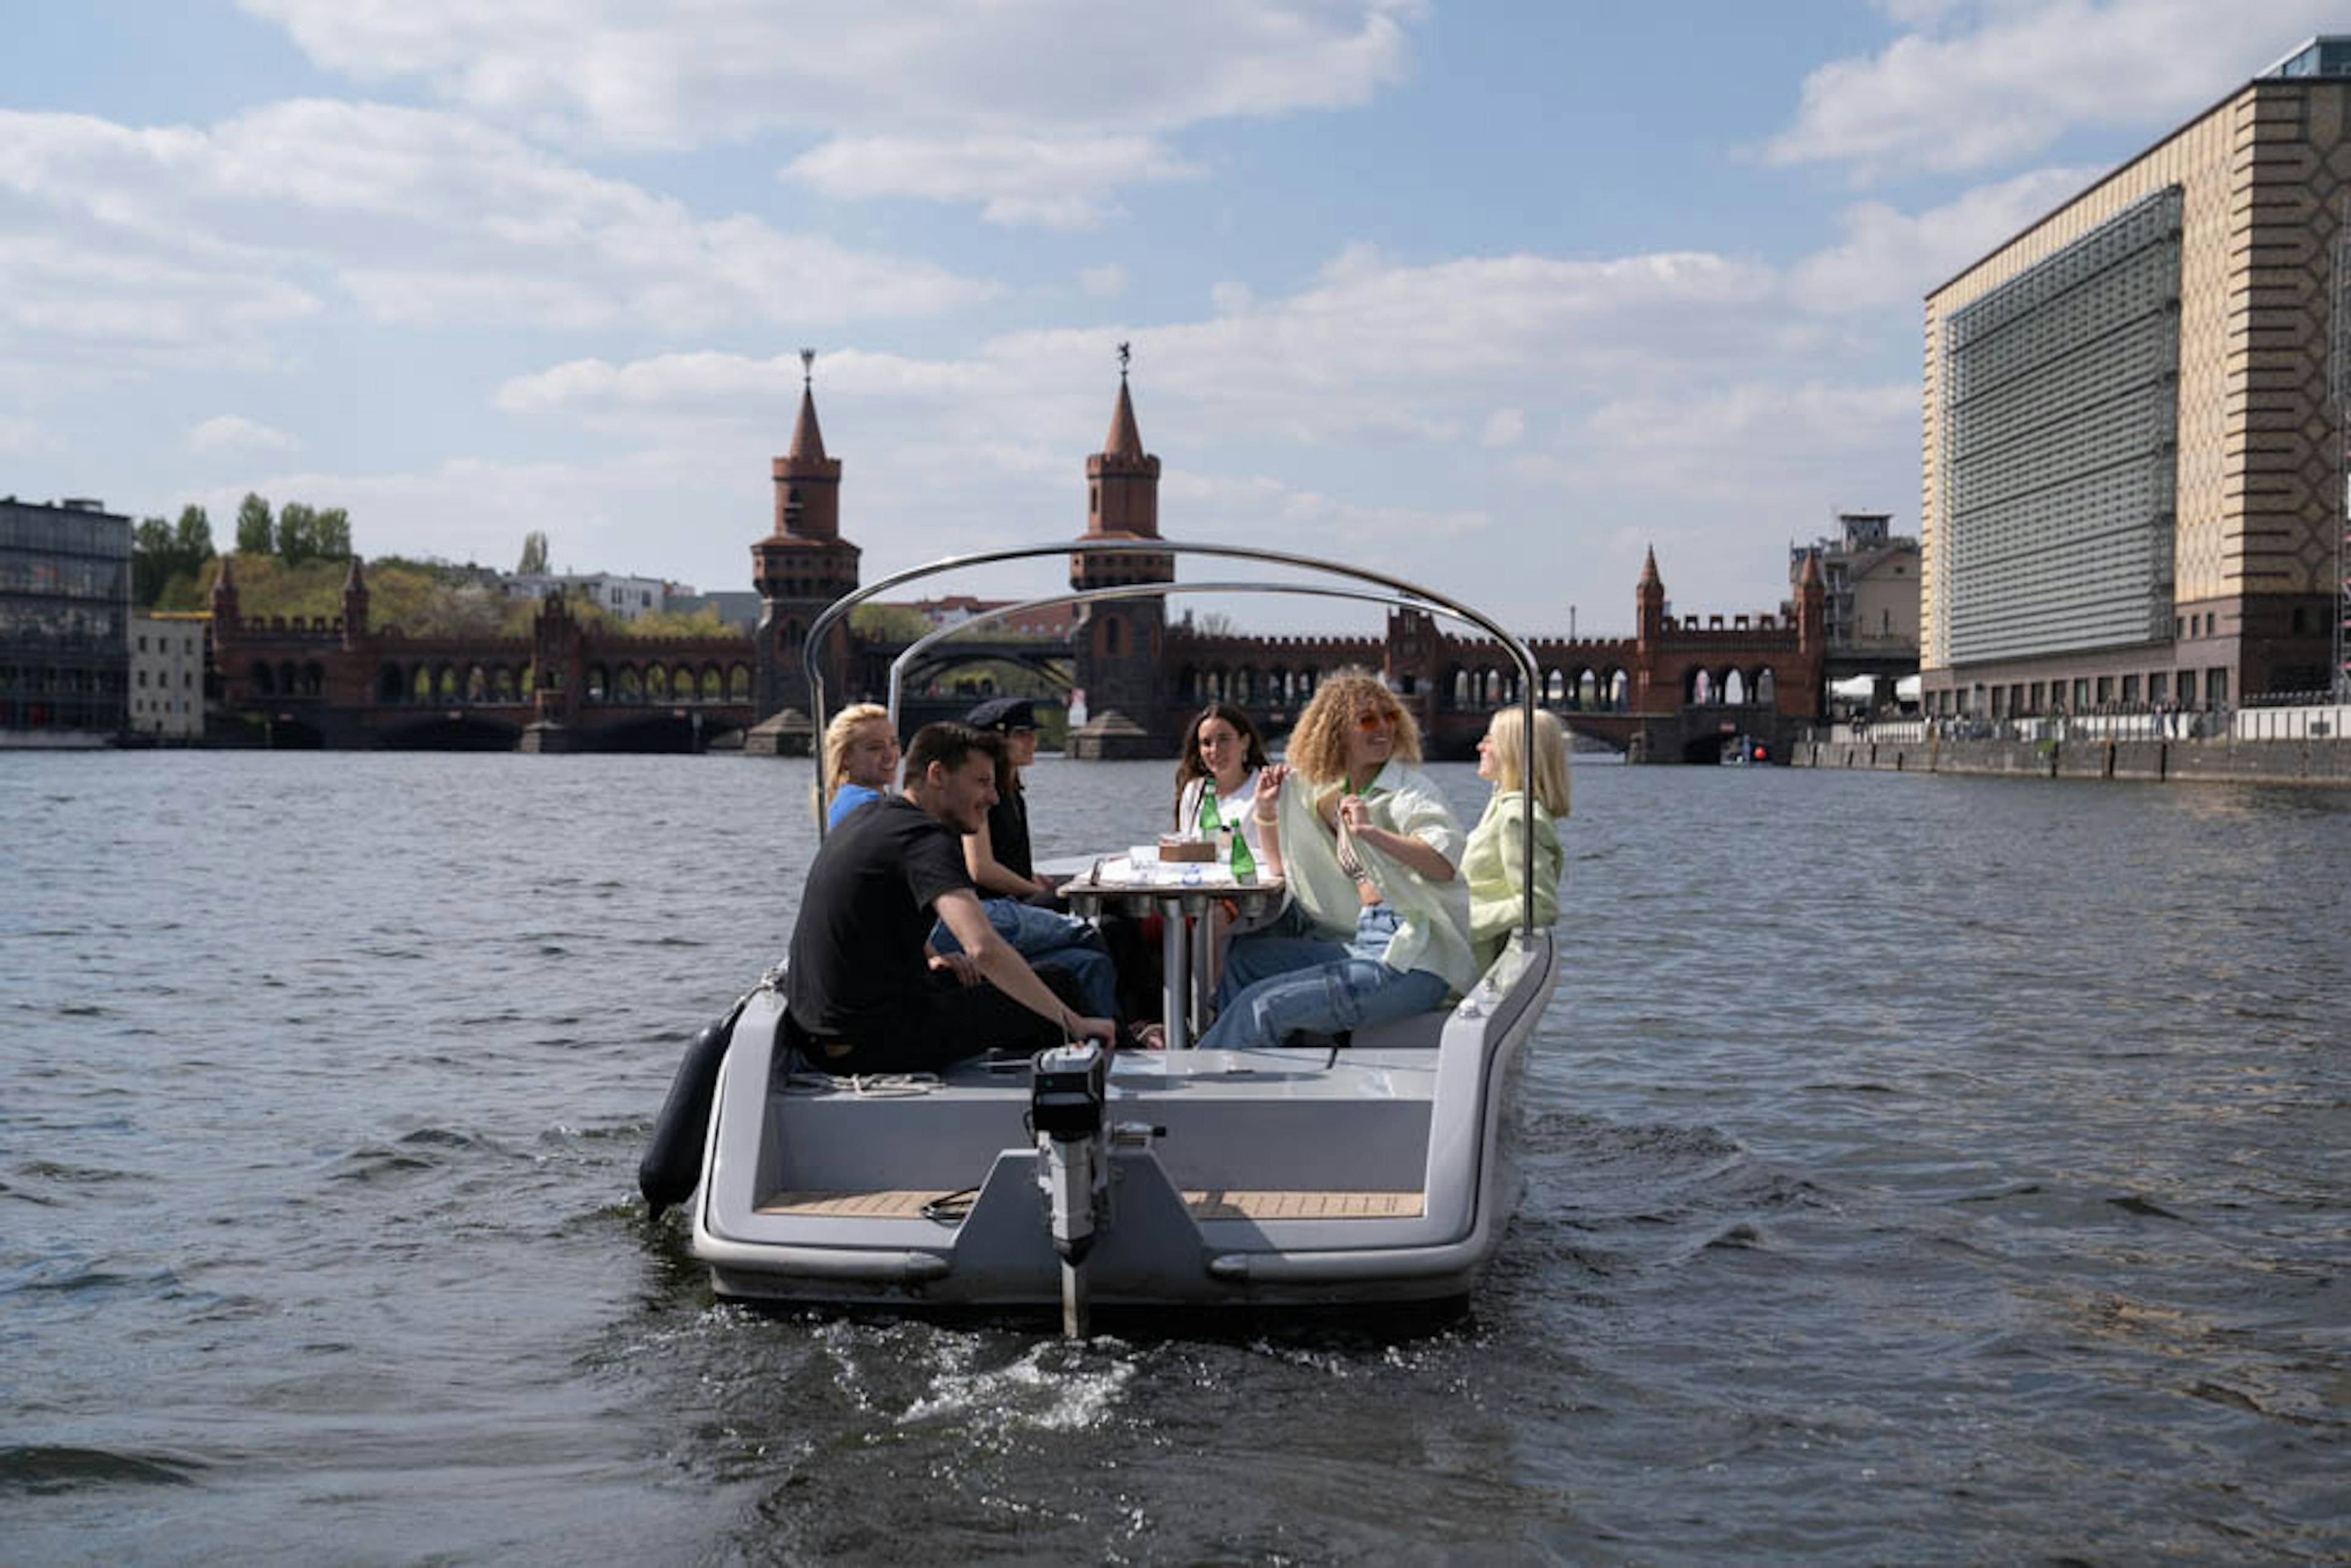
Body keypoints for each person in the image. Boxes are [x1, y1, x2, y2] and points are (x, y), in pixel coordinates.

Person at [784, 721, 1114, 1075]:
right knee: (1058, 985)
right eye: (982, 782)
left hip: (823, 1036)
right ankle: (1112, 1062)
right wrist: (1076, 1023)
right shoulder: (925, 840)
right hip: (869, 1043)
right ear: (937, 775)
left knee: (1028, 982)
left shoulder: (872, 817)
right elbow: (982, 949)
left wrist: (933, 957)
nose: (994, 798)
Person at [1193, 669, 1474, 1052]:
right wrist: (1266, 811)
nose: (1383, 728)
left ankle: (1204, 1076)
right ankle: (1250, 1070)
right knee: (1244, 958)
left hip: (1412, 959)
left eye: (1390, 716)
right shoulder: (1336, 793)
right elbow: (1280, 868)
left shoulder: (1409, 792)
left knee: (1263, 1005)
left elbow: (1443, 863)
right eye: (1367, 720)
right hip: (1365, 940)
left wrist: (1370, 833)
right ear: (1336, 732)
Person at [926, 696, 1122, 1024]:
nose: (1033, 741)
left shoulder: (1013, 792)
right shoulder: (978, 796)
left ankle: (1112, 1027)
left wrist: (1032, 880)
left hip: (1011, 903)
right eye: (1022, 734)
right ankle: (1120, 1031)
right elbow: (980, 868)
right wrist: (1035, 888)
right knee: (1101, 928)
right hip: (986, 908)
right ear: (994, 739)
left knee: (1096, 954)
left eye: (1032, 733)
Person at [1464, 706, 1569, 973]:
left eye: (1489, 740)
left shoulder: (1517, 817)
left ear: (1512, 750)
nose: (1480, 747)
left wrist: (1459, 921)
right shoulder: (1503, 806)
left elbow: (1540, 905)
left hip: (1463, 966)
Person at [819, 702, 899, 829]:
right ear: (846, 758)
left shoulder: (844, 799)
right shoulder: (868, 806)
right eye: (875, 748)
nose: (890, 755)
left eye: (894, 743)